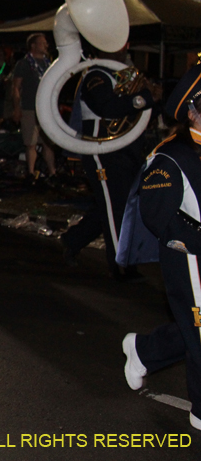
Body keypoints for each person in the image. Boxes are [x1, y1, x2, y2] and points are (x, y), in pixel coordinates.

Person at [119, 62, 201, 431]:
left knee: (193, 328)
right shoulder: (172, 157)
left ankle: (143, 351)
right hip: (190, 256)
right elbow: (156, 216)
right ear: (193, 109)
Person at [60, 51, 158, 280]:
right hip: (102, 150)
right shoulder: (96, 75)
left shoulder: (123, 75)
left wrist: (153, 99)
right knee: (117, 209)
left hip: (125, 150)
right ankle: (121, 264)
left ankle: (73, 239)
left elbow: (136, 111)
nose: (123, 47)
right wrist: (142, 98)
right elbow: (108, 107)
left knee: (116, 204)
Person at [13, 33, 58, 182]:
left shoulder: (48, 63)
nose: (46, 45)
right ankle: (31, 173)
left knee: (48, 142)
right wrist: (17, 107)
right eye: (42, 43)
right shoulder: (24, 64)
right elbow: (16, 87)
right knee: (31, 142)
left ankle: (53, 172)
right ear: (33, 45)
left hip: (46, 109)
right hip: (29, 108)